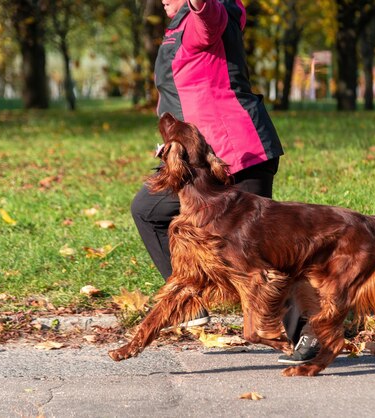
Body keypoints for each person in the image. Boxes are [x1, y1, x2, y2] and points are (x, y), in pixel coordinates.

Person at [130, 0, 318, 365]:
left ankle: (311, 332)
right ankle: (191, 297)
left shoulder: (207, 18)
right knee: (148, 209)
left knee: (257, 253)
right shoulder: (178, 26)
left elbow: (208, 14)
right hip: (198, 160)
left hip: (239, 153)